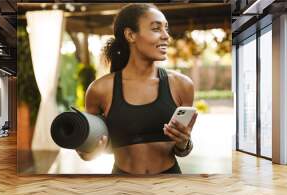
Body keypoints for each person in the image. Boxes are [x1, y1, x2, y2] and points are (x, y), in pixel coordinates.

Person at [76, 3, 198, 174]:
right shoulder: (99, 90)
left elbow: (182, 149)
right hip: (122, 186)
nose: (166, 36)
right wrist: (88, 151)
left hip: (169, 182)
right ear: (130, 35)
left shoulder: (182, 85)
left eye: (166, 29)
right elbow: (93, 148)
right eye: (156, 29)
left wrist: (184, 143)